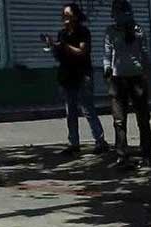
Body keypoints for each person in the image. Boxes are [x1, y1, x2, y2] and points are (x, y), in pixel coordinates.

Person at [45, 3, 108, 156]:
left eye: (68, 14)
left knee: (88, 109)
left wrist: (64, 46)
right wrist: (53, 47)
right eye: (63, 15)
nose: (65, 18)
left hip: (82, 75)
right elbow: (60, 56)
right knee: (70, 112)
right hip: (67, 76)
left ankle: (100, 141)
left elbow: (82, 52)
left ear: (75, 16)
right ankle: (74, 143)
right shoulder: (62, 34)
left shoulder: (83, 32)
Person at [104, 0, 151, 167]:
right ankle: (122, 154)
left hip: (136, 78)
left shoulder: (138, 30)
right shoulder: (111, 31)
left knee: (143, 118)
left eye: (120, 12)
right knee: (119, 120)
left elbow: (144, 53)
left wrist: (146, 74)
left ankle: (146, 153)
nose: (116, 16)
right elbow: (107, 53)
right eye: (115, 13)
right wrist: (107, 69)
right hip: (118, 79)